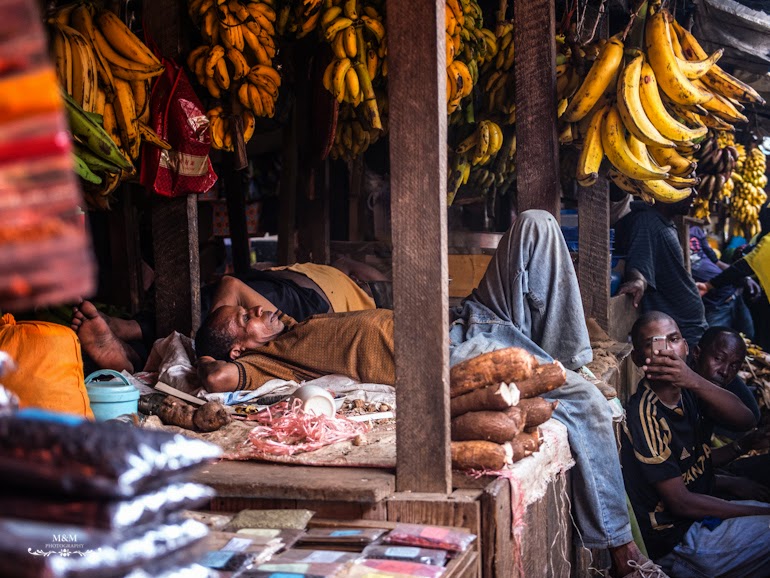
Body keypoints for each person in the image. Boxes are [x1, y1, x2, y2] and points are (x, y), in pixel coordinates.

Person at [197, 210, 665, 578]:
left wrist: (233, 323)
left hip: (466, 320)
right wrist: (210, 349)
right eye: (244, 318)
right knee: (583, 401)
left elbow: (230, 283)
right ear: (238, 350)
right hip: (451, 355)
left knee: (536, 225)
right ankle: (621, 551)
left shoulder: (287, 325)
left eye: (248, 310)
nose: (256, 309)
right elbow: (214, 378)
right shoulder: (266, 362)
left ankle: (567, 360)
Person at [622, 311, 770, 577]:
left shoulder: (689, 393)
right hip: (679, 542)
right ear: (637, 358)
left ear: (687, 348)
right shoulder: (646, 415)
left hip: (697, 520)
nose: (667, 351)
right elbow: (681, 502)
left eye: (673, 339)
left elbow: (746, 419)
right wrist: (754, 511)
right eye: (654, 344)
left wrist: (692, 379)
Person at [70, 259, 388, 374]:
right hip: (291, 287)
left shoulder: (291, 328)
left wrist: (209, 349)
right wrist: (220, 334)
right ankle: (136, 345)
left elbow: (231, 287)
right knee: (218, 309)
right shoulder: (281, 322)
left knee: (226, 313)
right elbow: (230, 286)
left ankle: (134, 346)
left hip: (308, 299)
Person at [615, 195, 707, 349]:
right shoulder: (646, 221)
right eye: (685, 187)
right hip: (674, 328)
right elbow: (639, 261)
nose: (694, 194)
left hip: (686, 325)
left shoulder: (664, 221)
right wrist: (638, 280)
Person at [692, 326, 770, 492]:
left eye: (734, 366)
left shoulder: (709, 397)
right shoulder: (678, 397)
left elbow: (699, 460)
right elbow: (679, 475)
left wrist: (747, 443)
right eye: (719, 359)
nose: (725, 371)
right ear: (697, 353)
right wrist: (730, 483)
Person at [689, 225, 758, 338]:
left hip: (734, 294)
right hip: (714, 304)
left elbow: (717, 262)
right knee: (716, 341)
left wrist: (745, 278)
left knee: (748, 337)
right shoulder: (669, 236)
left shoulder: (695, 230)